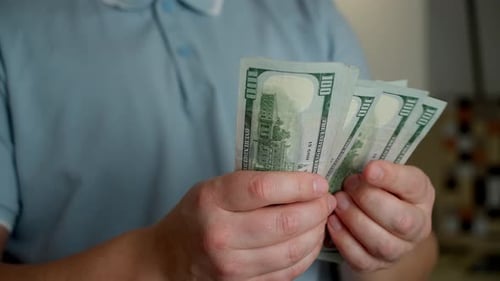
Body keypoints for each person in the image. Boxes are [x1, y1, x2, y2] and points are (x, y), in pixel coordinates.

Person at [0, 0, 438, 280]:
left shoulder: (312, 15)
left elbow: (418, 257)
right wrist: (162, 260)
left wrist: (389, 245)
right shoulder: (10, 27)